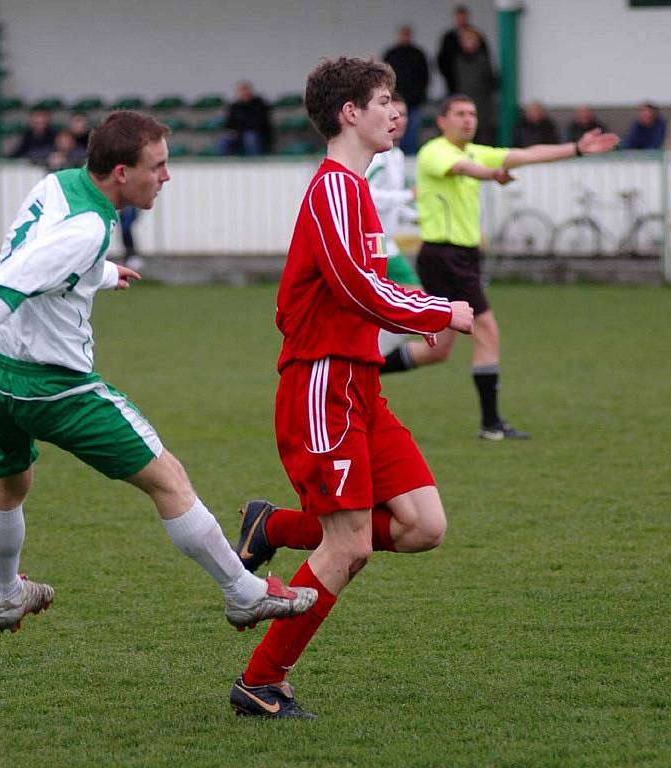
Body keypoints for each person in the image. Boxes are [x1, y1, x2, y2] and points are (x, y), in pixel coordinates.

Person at [0, 110, 317, 640]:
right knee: (167, 477)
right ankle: (244, 593)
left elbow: (37, 251)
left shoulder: (59, 185)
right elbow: (15, 279)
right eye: (156, 166)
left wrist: (103, 273)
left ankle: (7, 594)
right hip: (50, 384)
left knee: (11, 480)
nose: (166, 176)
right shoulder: (90, 228)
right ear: (119, 172)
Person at [227, 57, 474, 719]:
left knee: (424, 527)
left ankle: (272, 524)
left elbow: (370, 281)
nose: (396, 111)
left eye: (395, 99)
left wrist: (423, 304)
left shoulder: (356, 192)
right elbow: (355, 288)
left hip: (359, 384)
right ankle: (260, 682)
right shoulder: (335, 188)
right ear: (349, 113)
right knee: (350, 545)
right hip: (321, 381)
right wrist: (436, 311)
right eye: (384, 100)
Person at [393, 95, 618, 440]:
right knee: (487, 330)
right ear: (442, 121)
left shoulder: (473, 150)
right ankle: (491, 425)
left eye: (472, 113)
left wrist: (577, 148)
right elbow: (466, 170)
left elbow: (526, 155)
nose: (468, 119)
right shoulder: (435, 151)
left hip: (461, 257)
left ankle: (362, 369)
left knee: (437, 350)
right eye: (460, 114)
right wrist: (492, 174)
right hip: (445, 256)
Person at [364, 92, 426, 370]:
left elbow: (392, 202)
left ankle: (366, 358)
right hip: (372, 245)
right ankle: (367, 358)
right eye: (392, 113)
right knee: (413, 304)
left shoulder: (397, 154)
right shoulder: (378, 157)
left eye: (402, 115)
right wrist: (404, 196)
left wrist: (419, 216)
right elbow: (365, 193)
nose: (397, 120)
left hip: (386, 245)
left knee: (408, 306)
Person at [382, 25, 429, 155]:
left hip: (414, 101)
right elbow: (385, 76)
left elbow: (425, 77)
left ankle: (409, 155)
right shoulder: (392, 54)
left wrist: (419, 95)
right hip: (395, 99)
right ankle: (392, 152)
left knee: (411, 131)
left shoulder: (418, 54)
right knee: (393, 129)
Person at [450, 26, 497, 145]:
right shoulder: (458, 61)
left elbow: (490, 82)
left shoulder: (483, 60)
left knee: (483, 138)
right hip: (463, 103)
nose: (468, 44)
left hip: (482, 107)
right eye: (466, 41)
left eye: (472, 41)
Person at [437, 5, 491, 96]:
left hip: (477, 87)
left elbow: (486, 60)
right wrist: (449, 77)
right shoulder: (448, 38)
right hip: (453, 83)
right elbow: (442, 59)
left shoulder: (477, 35)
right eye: (459, 18)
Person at [217, 81, 272, 156]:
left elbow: (260, 122)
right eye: (241, 91)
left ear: (250, 91)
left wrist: (240, 130)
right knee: (224, 138)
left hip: (257, 133)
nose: (243, 93)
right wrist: (231, 131)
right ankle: (224, 164)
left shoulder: (260, 104)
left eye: (245, 90)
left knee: (250, 137)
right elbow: (229, 123)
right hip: (239, 133)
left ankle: (255, 163)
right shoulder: (234, 106)